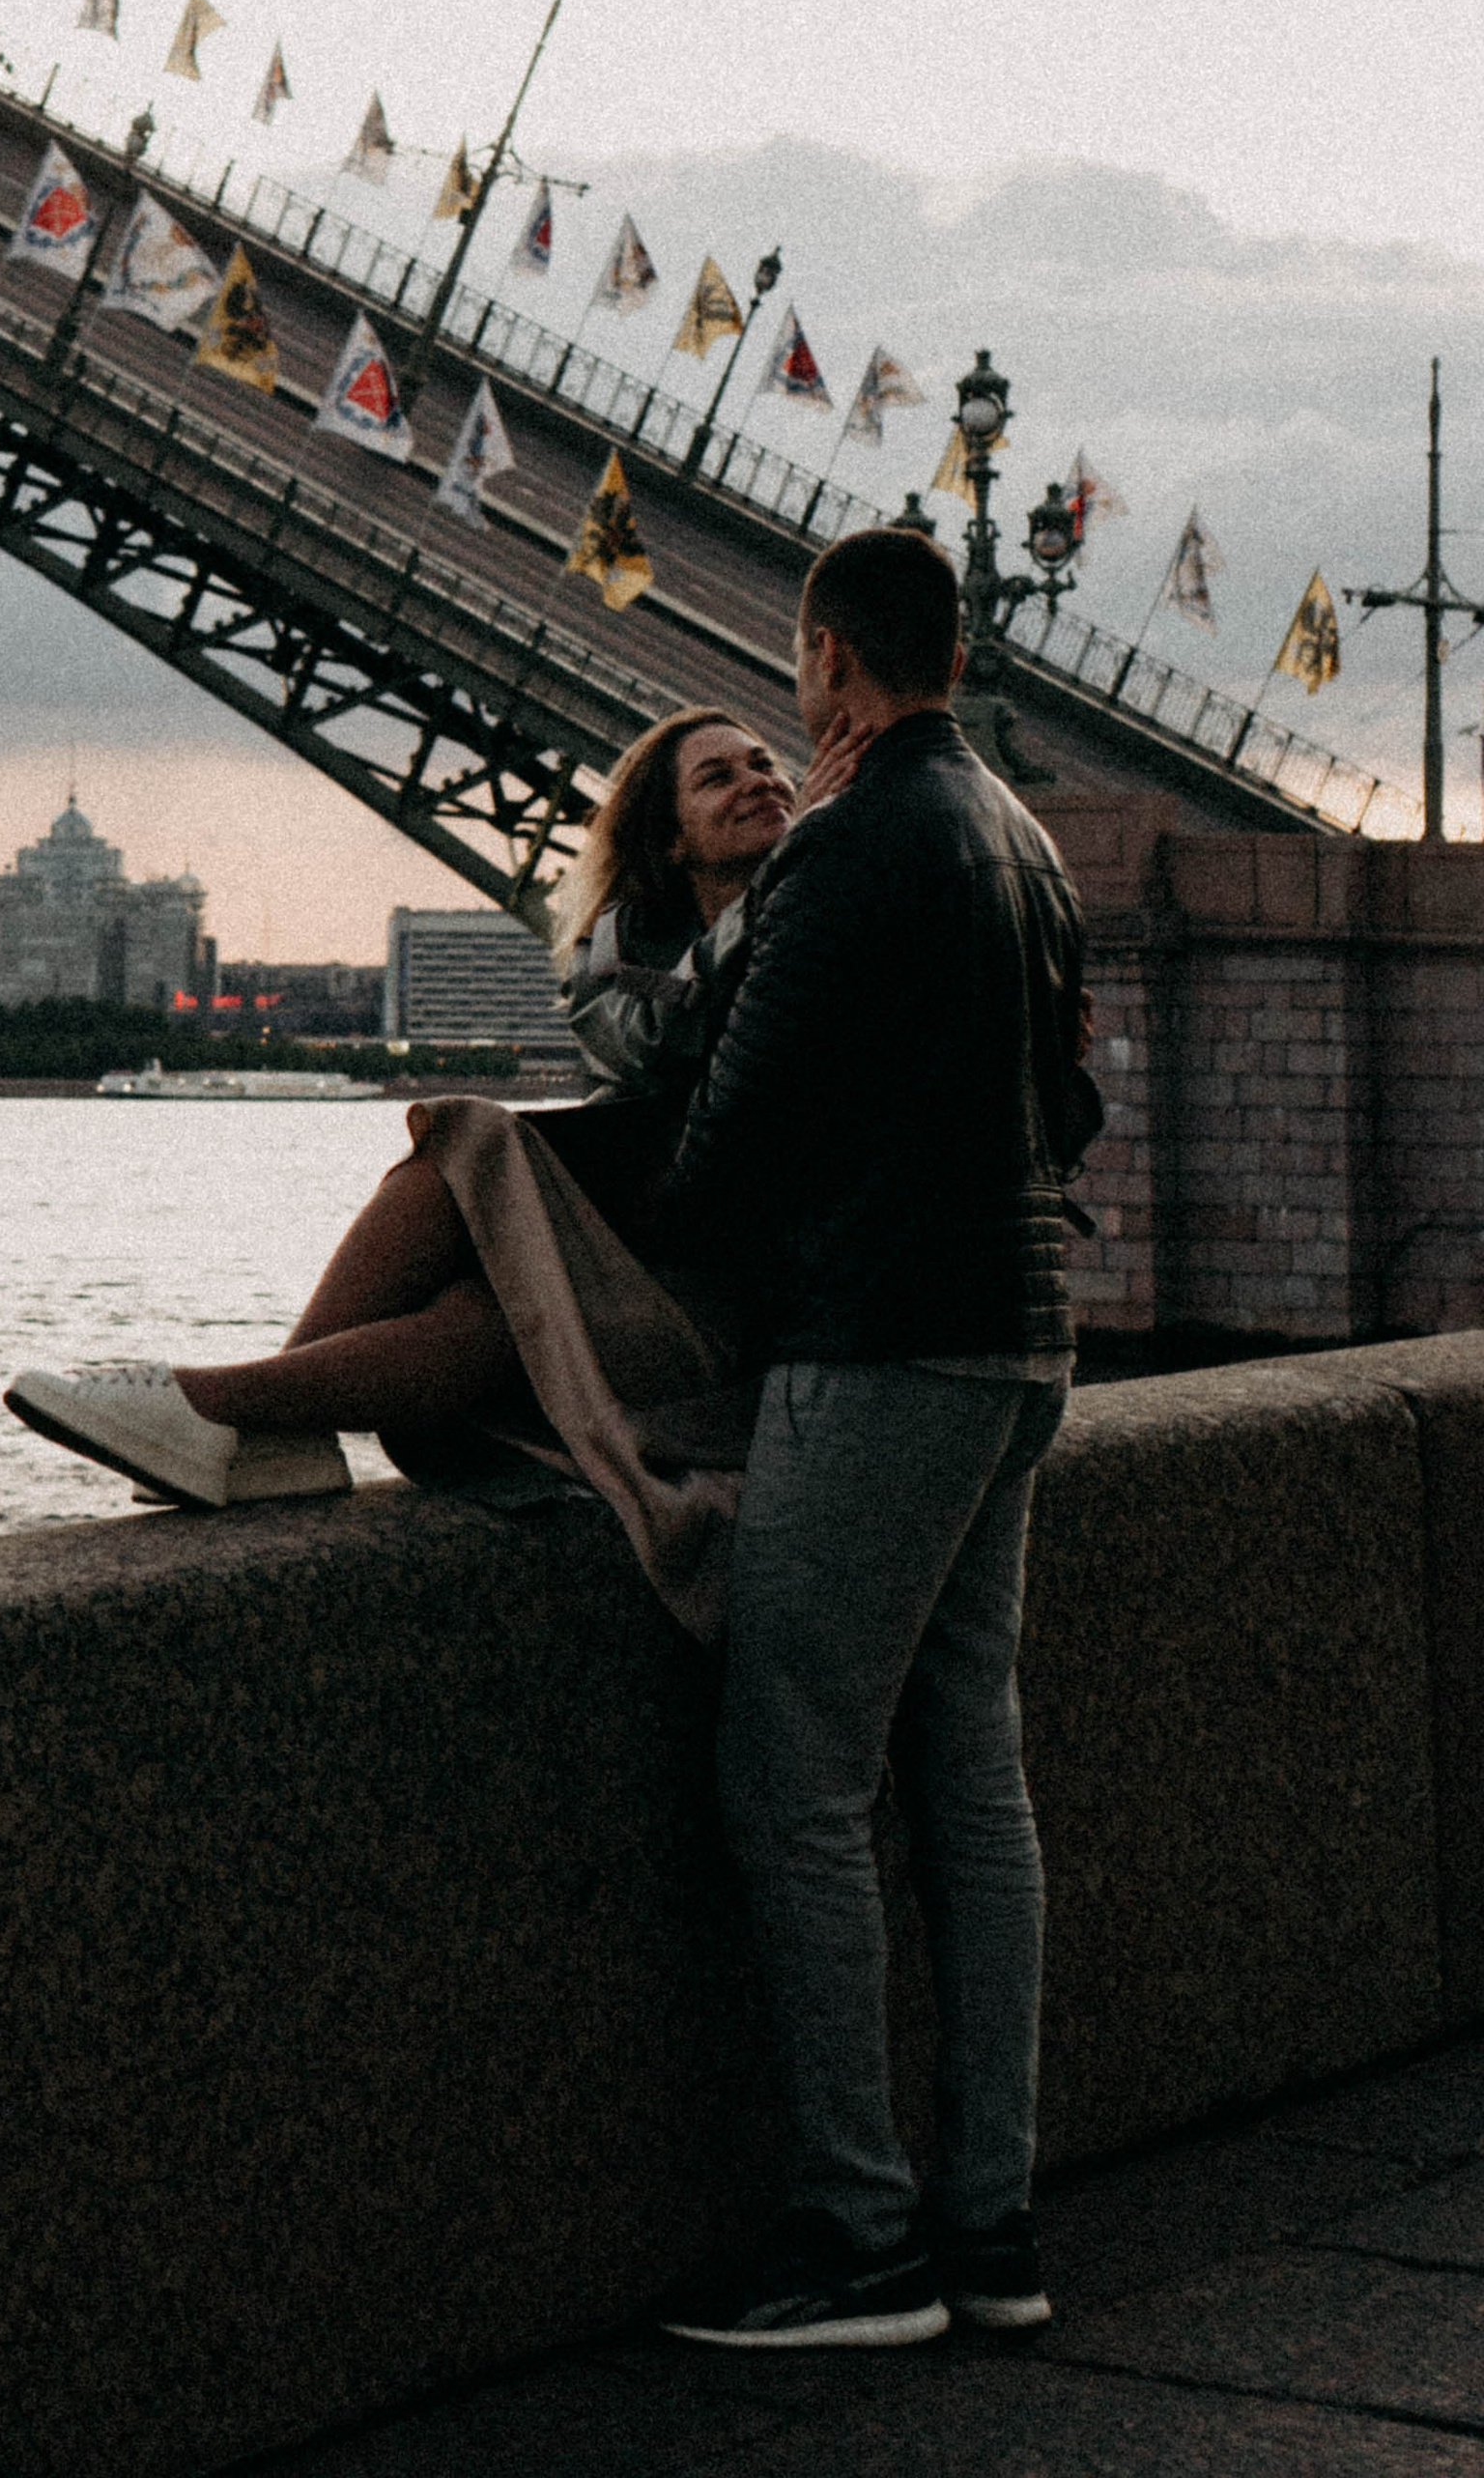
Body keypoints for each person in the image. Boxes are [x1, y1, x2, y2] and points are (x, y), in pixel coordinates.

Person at [641, 527, 1089, 2356]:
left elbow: (726, 1146)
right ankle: (993, 2224)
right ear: (958, 654)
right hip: (1021, 1339)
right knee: (971, 1784)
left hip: (879, 1344)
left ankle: (856, 2239)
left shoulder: (848, 842)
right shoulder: (1026, 840)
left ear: (828, 661)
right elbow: (1069, 1103)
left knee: (794, 1776)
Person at [2, 708, 835, 1583]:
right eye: (718, 777)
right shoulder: (619, 965)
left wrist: (793, 865)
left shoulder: (818, 928)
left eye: (763, 764)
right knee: (469, 1205)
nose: (759, 782)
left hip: (731, 1328)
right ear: (668, 843)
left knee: (486, 1206)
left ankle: (216, 1407)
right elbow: (660, 1044)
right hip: (645, 1286)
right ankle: (257, 1421)